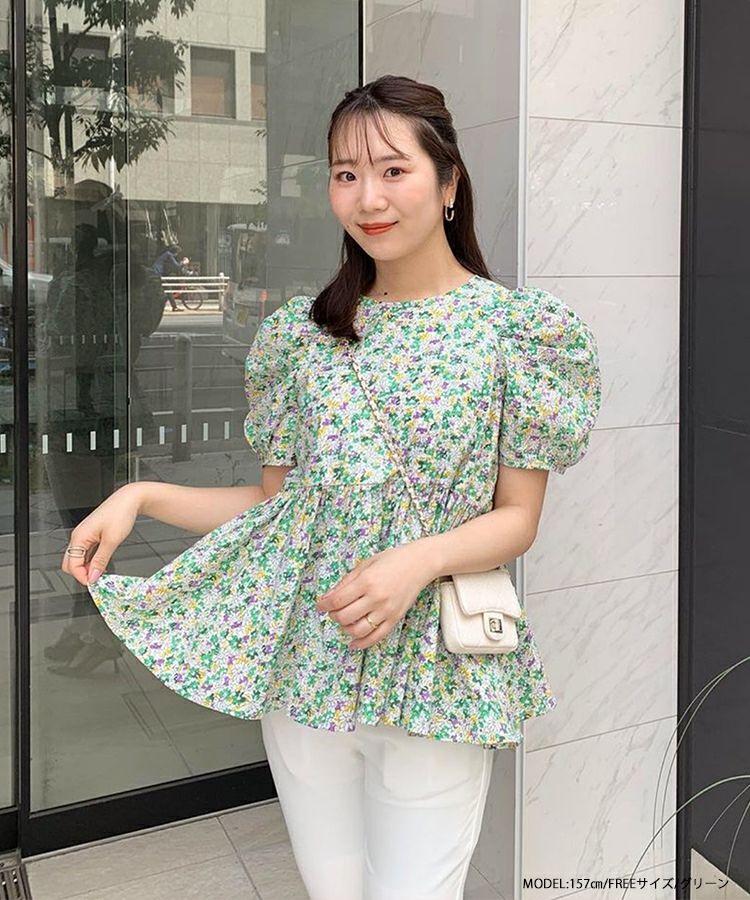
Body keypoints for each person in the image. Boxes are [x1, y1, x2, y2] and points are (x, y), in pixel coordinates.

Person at [60, 75, 602, 899]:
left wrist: (414, 562)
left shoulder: (518, 333)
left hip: (435, 672)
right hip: (308, 669)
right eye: (346, 174)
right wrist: (139, 497)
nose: (367, 197)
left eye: (393, 170)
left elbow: (516, 519)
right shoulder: (303, 337)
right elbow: (277, 509)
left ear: (449, 182)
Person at [151, 243, 186, 311]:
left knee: (165, 289)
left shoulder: (166, 254)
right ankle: (174, 307)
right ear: (175, 252)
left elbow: (170, 266)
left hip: (156, 273)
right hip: (157, 274)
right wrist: (183, 263)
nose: (177, 255)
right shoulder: (169, 255)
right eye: (177, 253)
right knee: (168, 289)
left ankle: (173, 306)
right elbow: (177, 266)